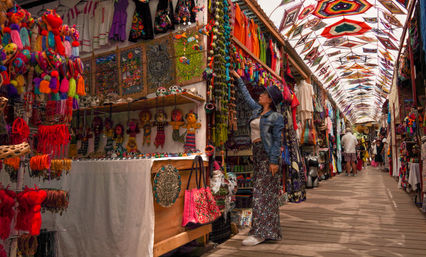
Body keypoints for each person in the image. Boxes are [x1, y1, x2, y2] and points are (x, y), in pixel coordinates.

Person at [232, 70, 284, 246]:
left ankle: (259, 233)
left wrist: (274, 161)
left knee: (262, 194)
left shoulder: (276, 117)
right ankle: (268, 231)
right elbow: (247, 98)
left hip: (268, 155)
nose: (260, 95)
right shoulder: (256, 111)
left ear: (270, 99)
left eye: (264, 94)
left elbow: (277, 140)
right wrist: (239, 79)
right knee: (264, 194)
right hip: (257, 153)